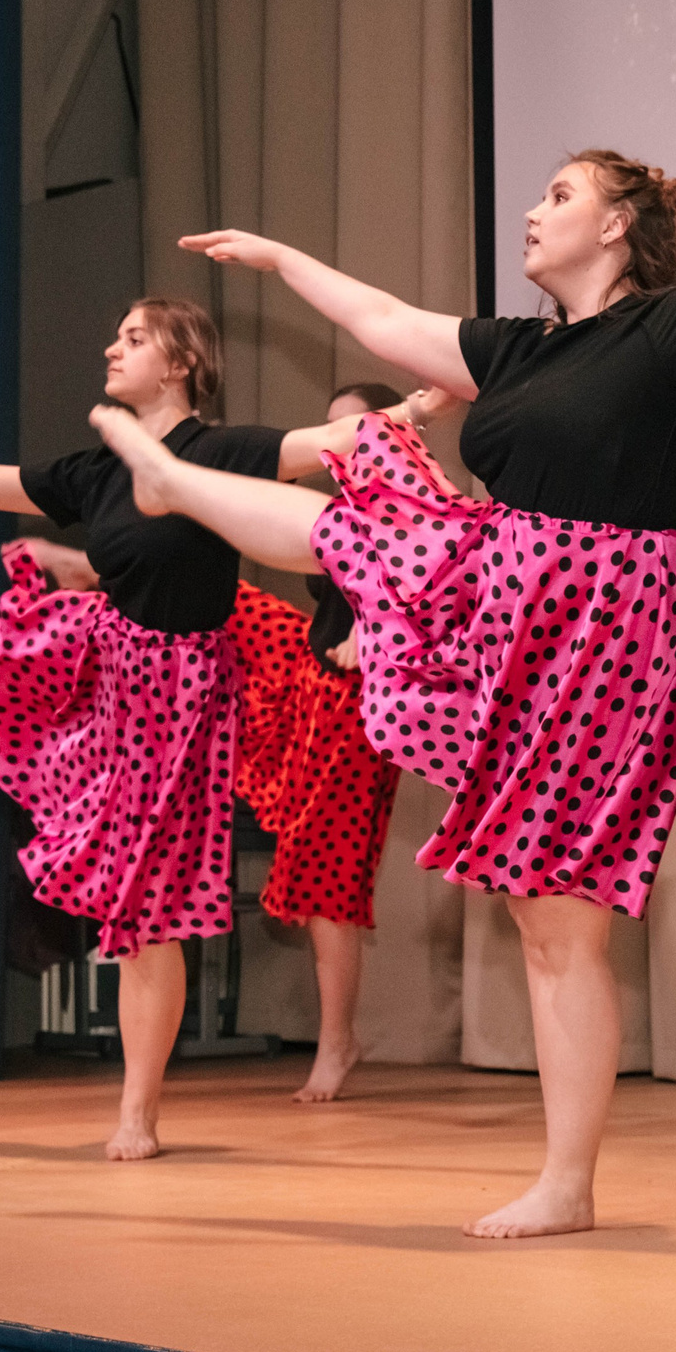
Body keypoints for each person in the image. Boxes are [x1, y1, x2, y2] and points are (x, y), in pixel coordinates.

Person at [84, 52, 676, 1237]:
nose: (532, 212)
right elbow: (383, 319)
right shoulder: (521, 352)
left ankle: (568, 1183)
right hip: (505, 585)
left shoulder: (673, 329)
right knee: (361, 524)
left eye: (557, 194)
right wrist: (281, 260)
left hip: (612, 616)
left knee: (559, 910)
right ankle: (175, 480)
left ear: (618, 222)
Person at [0, 298, 439, 1162]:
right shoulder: (97, 469)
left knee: (144, 918)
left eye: (131, 338)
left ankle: (138, 1111)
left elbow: (334, 441)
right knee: (4, 642)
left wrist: (419, 407)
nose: (109, 348)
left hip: (181, 698)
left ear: (180, 363)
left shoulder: (220, 451)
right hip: (107, 666)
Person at [233, 382, 425, 1104]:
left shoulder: (412, 516)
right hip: (314, 684)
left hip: (364, 705)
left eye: (355, 432)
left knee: (323, 879)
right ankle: (97, 585)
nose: (339, 446)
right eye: (332, 432)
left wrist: (373, 639)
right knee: (211, 607)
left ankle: (337, 1040)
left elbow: (437, 606)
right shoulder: (336, 513)